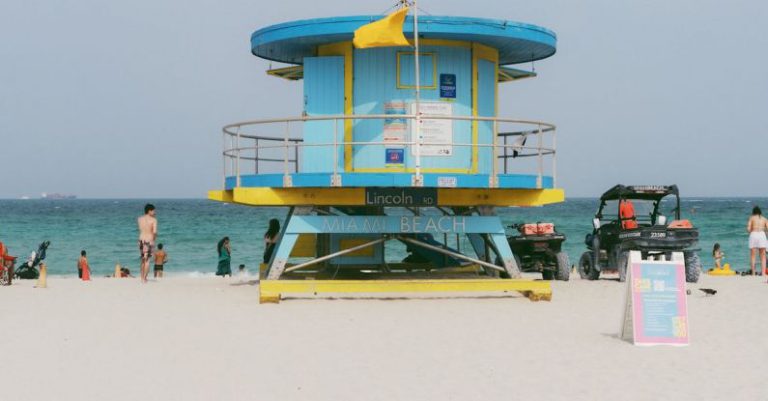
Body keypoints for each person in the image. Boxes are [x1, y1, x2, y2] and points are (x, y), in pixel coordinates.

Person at [138, 204, 157, 284]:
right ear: (149, 211)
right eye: (153, 210)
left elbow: (141, 229)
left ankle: (142, 277)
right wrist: (154, 239)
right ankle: (145, 278)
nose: (155, 212)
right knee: (147, 260)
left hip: (141, 240)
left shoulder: (139, 219)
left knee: (143, 260)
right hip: (149, 240)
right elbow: (154, 232)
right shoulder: (153, 220)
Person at [747, 206, 768, 276]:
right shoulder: (764, 219)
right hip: (762, 235)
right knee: (763, 256)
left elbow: (748, 229)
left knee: (753, 255)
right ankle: (763, 273)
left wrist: (751, 232)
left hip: (754, 234)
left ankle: (753, 273)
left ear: (753, 212)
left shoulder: (751, 218)